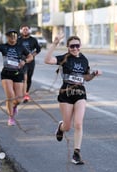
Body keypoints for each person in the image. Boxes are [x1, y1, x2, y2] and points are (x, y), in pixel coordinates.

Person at [44, 35, 102, 165]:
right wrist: (54, 44)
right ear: (68, 47)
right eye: (72, 46)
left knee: (78, 124)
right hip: (66, 94)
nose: (75, 48)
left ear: (80, 46)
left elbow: (86, 78)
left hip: (80, 93)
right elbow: (47, 60)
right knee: (68, 126)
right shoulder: (65, 58)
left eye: (77, 46)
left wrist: (94, 74)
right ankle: (61, 127)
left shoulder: (84, 60)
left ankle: (76, 153)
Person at [0, 28, 33, 126]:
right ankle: (11, 117)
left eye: (15, 35)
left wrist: (25, 61)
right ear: (7, 37)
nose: (13, 37)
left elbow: (30, 56)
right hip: (6, 74)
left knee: (19, 99)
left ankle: (14, 106)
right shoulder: (3, 46)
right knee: (10, 96)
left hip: (18, 74)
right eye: (10, 35)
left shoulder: (21, 47)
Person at [18, 25, 41, 103]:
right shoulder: (18, 40)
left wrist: (32, 55)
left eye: (26, 29)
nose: (25, 31)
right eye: (24, 29)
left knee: (29, 78)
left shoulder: (33, 40)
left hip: (31, 61)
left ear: (29, 31)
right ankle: (22, 94)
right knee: (24, 77)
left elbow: (38, 49)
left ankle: (26, 94)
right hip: (22, 61)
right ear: (21, 31)